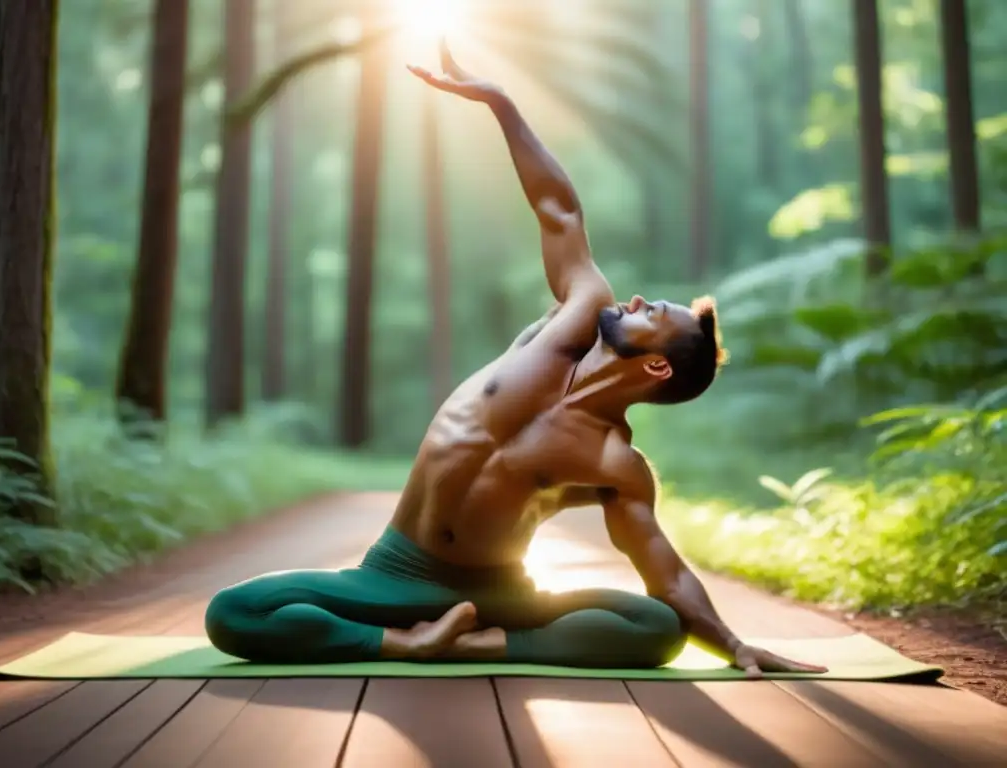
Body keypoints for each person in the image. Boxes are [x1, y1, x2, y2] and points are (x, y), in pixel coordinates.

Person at [204, 41, 827, 678]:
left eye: (653, 313)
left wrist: (732, 644)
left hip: (501, 596)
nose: (636, 299)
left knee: (654, 628)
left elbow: (663, 574)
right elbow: (560, 210)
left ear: (658, 367)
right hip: (394, 574)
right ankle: (409, 644)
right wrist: (499, 103)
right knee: (236, 612)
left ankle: (479, 643)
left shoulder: (618, 465)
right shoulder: (571, 321)